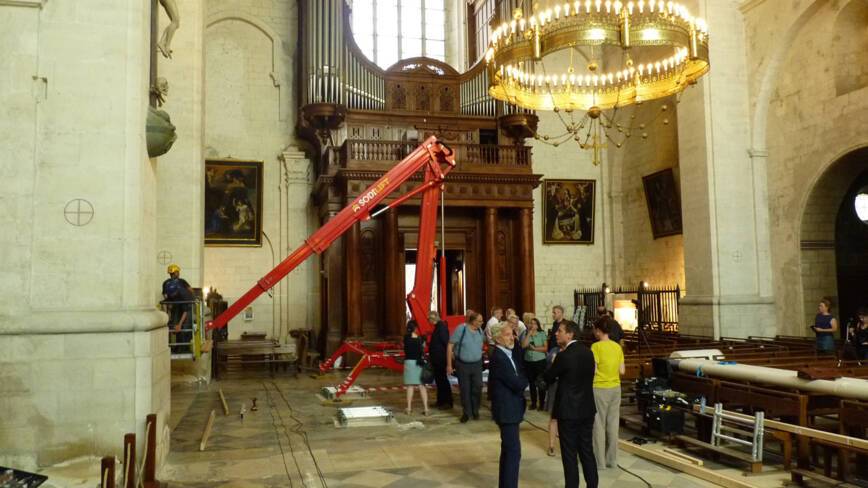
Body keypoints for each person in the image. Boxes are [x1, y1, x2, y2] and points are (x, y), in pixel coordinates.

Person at [544, 320, 598, 488]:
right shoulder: (588, 353)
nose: (556, 333)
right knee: (587, 451)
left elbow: (549, 377)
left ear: (570, 334)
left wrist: (553, 364)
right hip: (587, 409)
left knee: (569, 454)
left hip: (568, 411)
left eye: (560, 331)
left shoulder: (563, 355)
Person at [488, 322, 528, 488]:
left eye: (512, 334)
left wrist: (522, 379)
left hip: (511, 408)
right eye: (507, 335)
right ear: (497, 338)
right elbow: (516, 382)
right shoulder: (499, 357)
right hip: (507, 409)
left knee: (508, 451)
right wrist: (524, 380)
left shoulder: (508, 353)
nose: (511, 337)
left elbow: (520, 372)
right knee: (513, 453)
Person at [591, 317, 625, 470]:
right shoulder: (617, 347)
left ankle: (600, 462)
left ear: (599, 331)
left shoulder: (596, 347)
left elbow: (594, 370)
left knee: (599, 424)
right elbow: (622, 370)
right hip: (615, 388)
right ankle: (612, 460)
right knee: (613, 424)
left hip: (599, 388)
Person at [447, 311, 486, 422]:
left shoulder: (479, 330)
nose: (481, 323)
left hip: (477, 364)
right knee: (465, 389)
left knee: (478, 387)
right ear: (473, 321)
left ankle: (475, 410)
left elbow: (482, 342)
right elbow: (450, 345)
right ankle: (466, 413)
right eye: (479, 321)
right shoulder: (461, 329)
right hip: (463, 365)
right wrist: (449, 364)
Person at [162, 264, 194, 353]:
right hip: (180, 305)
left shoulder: (167, 284)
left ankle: (182, 347)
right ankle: (180, 347)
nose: (178, 273)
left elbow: (165, 295)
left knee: (182, 326)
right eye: (177, 272)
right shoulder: (179, 283)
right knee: (180, 325)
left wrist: (179, 324)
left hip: (181, 305)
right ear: (175, 272)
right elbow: (191, 290)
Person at [428, 311, 453, 409]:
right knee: (439, 381)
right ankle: (440, 401)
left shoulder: (441, 327)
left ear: (433, 318)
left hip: (441, 360)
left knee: (443, 381)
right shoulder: (438, 326)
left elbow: (446, 343)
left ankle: (447, 402)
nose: (429, 321)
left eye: (429, 319)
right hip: (437, 359)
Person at [403, 320, 430, 416]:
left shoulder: (406, 338)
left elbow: (405, 347)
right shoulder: (420, 339)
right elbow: (422, 349)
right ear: (415, 328)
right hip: (419, 363)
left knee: (410, 386)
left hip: (409, 363)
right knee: (422, 386)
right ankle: (426, 409)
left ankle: (409, 408)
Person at [521, 317, 548, 410]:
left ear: (538, 325)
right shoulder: (525, 333)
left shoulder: (542, 333)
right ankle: (533, 403)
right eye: (531, 323)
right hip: (528, 361)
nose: (532, 325)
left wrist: (535, 349)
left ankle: (541, 404)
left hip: (540, 361)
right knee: (531, 383)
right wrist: (529, 334)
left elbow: (545, 348)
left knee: (540, 383)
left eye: (535, 323)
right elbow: (523, 345)